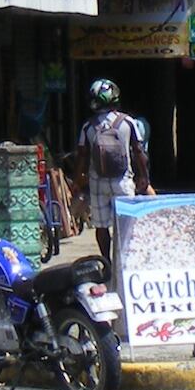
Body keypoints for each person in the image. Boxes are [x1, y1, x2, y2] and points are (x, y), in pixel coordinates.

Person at [76, 78, 151, 273]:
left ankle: (106, 262)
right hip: (122, 180)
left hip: (97, 182)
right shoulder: (127, 122)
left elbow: (82, 155)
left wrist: (79, 179)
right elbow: (139, 152)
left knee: (101, 226)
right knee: (126, 223)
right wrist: (144, 176)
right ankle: (124, 262)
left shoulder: (88, 126)